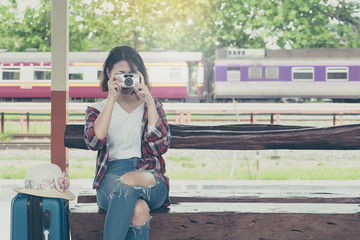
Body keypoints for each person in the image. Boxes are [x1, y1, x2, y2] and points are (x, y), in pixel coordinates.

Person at [84, 45, 171, 240]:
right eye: (120, 74)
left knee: (130, 180)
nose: (126, 79)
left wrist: (149, 102)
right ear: (108, 73)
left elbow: (160, 147)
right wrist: (111, 99)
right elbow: (94, 142)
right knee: (139, 210)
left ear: (140, 75)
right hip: (111, 176)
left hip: (148, 173)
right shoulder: (97, 108)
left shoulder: (152, 105)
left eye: (131, 74)